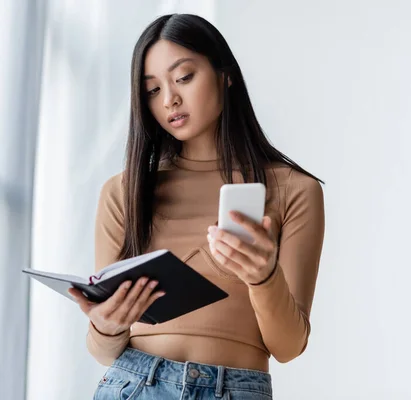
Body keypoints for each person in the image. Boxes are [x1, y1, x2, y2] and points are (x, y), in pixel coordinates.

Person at [68, 13, 325, 399]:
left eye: (183, 77)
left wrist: (263, 277)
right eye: (152, 90)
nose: (169, 99)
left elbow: (287, 347)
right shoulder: (125, 191)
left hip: (236, 389)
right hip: (133, 384)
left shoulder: (294, 190)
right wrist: (105, 325)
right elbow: (104, 353)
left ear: (225, 75)